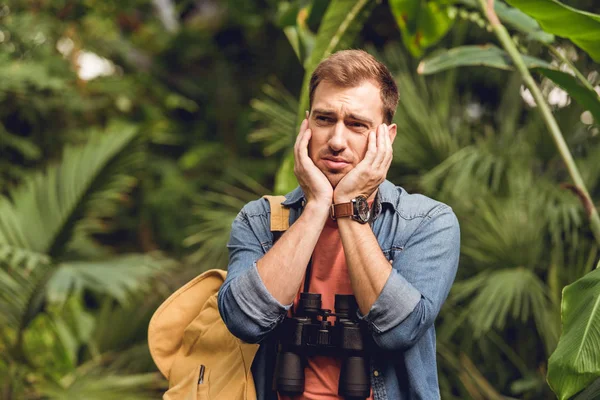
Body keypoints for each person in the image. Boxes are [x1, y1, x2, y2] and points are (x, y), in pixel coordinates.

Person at [218, 49, 460, 400]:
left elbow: (400, 330)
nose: (335, 140)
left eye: (356, 124)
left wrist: (348, 208)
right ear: (307, 125)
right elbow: (244, 322)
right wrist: (316, 206)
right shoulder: (259, 219)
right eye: (324, 119)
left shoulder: (427, 222)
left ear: (386, 138)